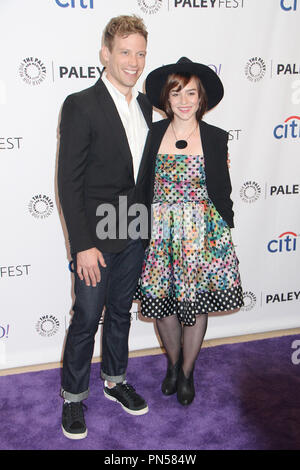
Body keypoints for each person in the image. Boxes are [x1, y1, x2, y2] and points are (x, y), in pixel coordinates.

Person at [57, 15, 153, 440]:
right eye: (125, 52)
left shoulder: (148, 105)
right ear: (106, 54)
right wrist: (82, 245)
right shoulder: (81, 104)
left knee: (119, 313)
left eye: (140, 53)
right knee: (86, 317)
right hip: (95, 235)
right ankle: (74, 398)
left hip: (134, 228)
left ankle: (115, 380)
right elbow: (68, 182)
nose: (134, 62)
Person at [135, 57, 244, 406]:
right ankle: (172, 362)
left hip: (201, 236)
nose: (184, 100)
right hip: (161, 233)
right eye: (176, 93)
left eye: (191, 93)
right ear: (166, 99)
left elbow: (222, 191)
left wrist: (223, 230)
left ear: (202, 99)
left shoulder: (215, 138)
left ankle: (186, 372)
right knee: (164, 306)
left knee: (195, 306)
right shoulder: (152, 134)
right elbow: (140, 187)